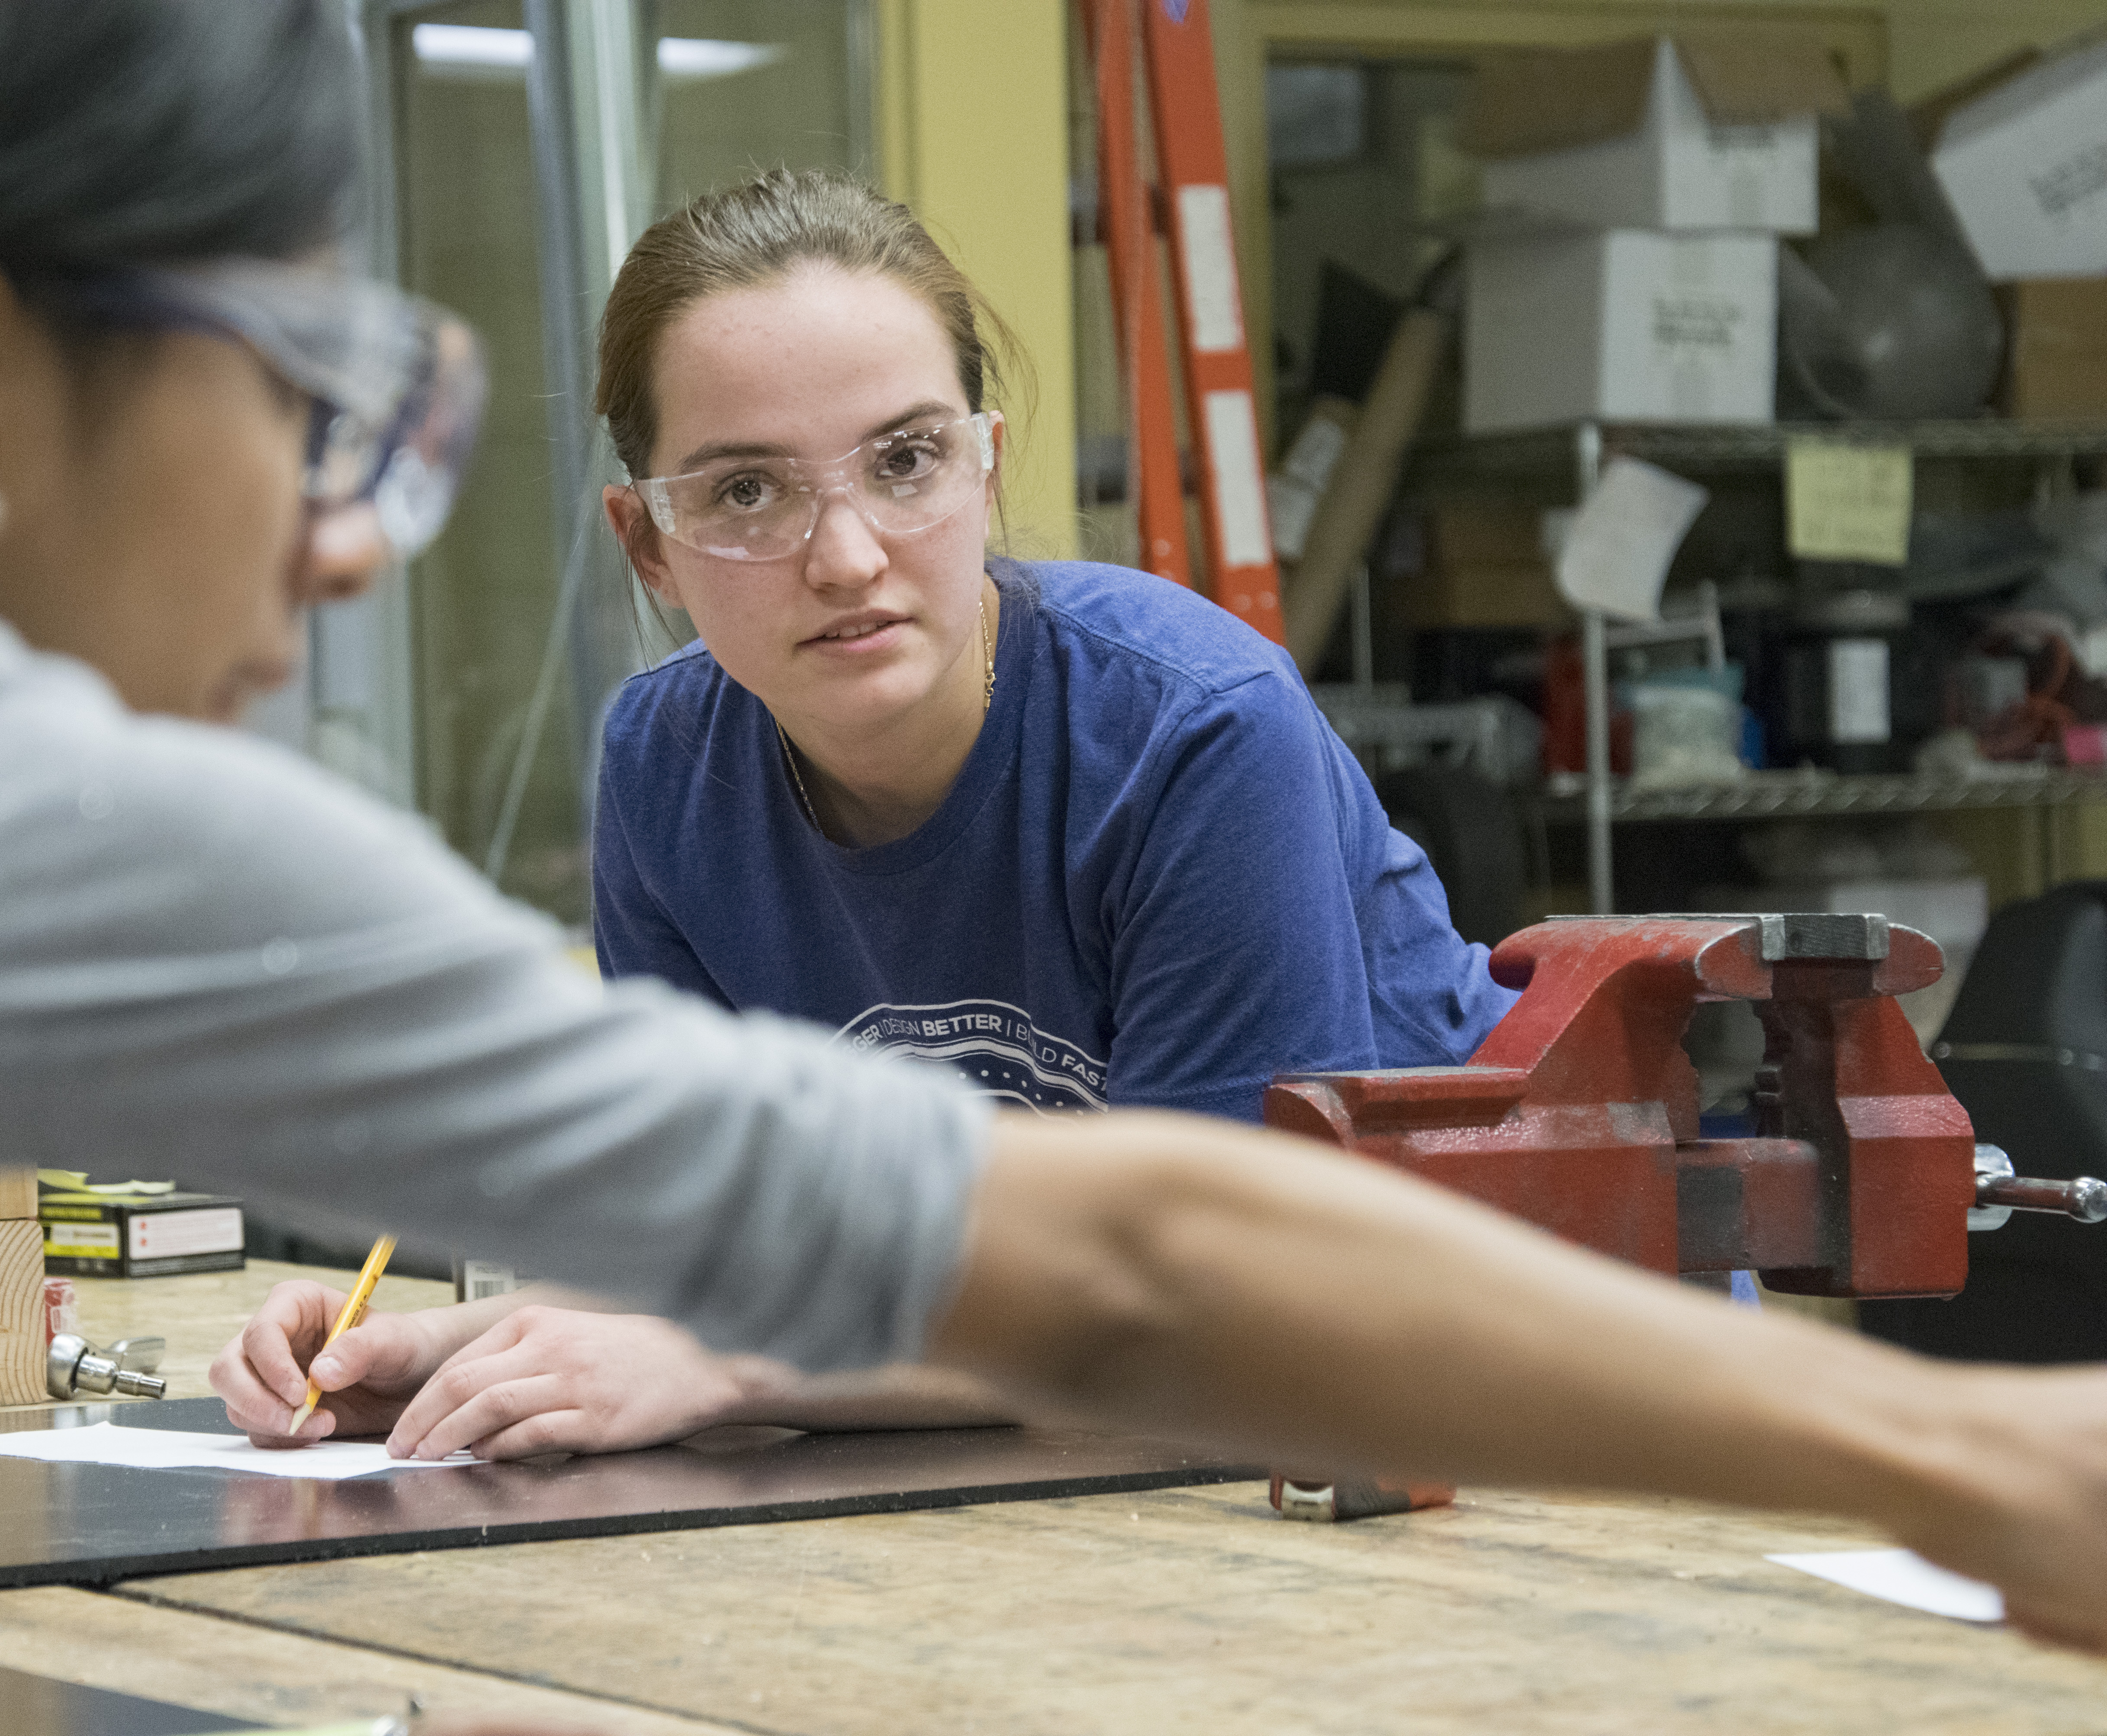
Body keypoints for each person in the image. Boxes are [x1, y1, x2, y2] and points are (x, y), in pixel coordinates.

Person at [0, 10, 2107, 1736]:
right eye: (304, 394)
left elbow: (1174, 1214)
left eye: (902, 459)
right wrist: (1988, 1473)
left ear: (987, 452)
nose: (340, 554)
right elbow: (1121, 1266)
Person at [213, 168, 1516, 1457]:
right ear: (646, 544)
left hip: (1513, 1383)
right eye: (745, 491)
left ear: (987, 468)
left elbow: (1204, 1299)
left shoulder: (1195, 732)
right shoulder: (667, 771)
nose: (845, 556)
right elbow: (716, 1247)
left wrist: (723, 1367)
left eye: (905, 460)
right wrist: (457, 1355)